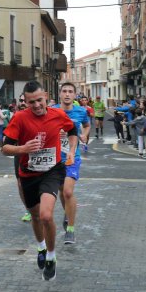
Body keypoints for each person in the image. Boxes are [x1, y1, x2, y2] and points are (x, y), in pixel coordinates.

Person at [2, 81, 77, 281]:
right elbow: (5, 148)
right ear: (25, 102)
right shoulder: (19, 118)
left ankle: (52, 257)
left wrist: (71, 150)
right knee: (35, 216)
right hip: (28, 174)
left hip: (52, 171)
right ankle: (41, 247)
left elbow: (72, 131)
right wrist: (23, 149)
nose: (36, 105)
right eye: (31, 102)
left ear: (45, 96)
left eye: (39, 100)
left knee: (46, 215)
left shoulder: (58, 114)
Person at [53, 83, 90, 244]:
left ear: (75, 95)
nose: (67, 94)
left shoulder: (81, 111)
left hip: (72, 157)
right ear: (60, 94)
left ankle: (70, 230)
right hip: (54, 158)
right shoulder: (52, 111)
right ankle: (68, 213)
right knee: (62, 192)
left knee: (68, 192)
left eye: (70, 92)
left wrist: (84, 135)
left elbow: (87, 125)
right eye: (64, 91)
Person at [12, 94, 32, 223]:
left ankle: (38, 207)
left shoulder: (37, 115)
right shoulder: (16, 117)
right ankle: (29, 210)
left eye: (25, 100)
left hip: (36, 154)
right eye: (21, 100)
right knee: (20, 184)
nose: (23, 102)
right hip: (19, 153)